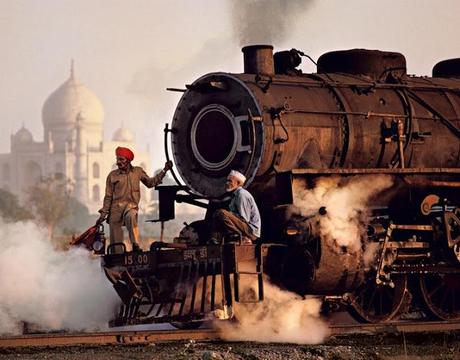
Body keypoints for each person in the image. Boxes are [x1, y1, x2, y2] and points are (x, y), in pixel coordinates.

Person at [96, 146, 172, 252]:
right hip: (115, 211)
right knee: (116, 245)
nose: (118, 162)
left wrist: (164, 170)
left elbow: (151, 183)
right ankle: (117, 261)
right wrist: (103, 214)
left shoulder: (137, 172)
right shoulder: (112, 176)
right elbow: (108, 196)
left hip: (130, 206)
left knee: (131, 216)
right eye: (117, 159)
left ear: (128, 160)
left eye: (121, 159)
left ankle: (135, 245)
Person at [211, 170, 261, 244]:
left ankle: (243, 238)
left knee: (222, 213)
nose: (227, 183)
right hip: (245, 227)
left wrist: (229, 215)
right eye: (227, 181)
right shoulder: (235, 195)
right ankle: (216, 239)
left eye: (230, 181)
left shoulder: (241, 194)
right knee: (217, 214)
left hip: (250, 230)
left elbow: (244, 219)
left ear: (238, 183)